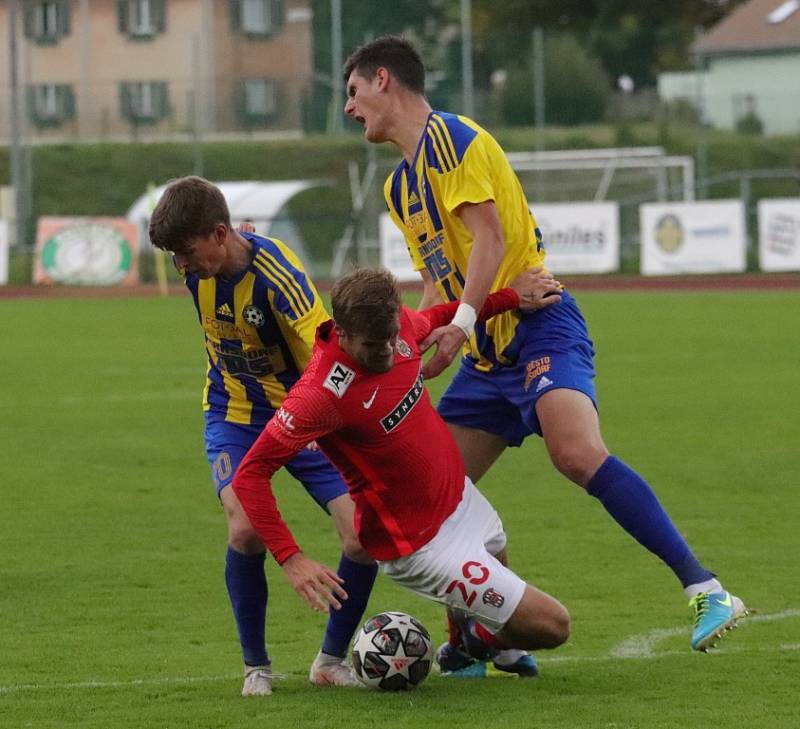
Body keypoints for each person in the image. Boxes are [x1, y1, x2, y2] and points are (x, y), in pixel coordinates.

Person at [342, 35, 746, 670]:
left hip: (538, 325)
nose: (349, 107)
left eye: (353, 91)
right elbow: (438, 275)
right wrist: (423, 339)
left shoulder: (454, 141)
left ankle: (708, 590)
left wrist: (465, 321)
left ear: (384, 79)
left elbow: (489, 239)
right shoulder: (399, 188)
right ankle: (476, 644)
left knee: (576, 453)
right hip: (484, 354)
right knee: (435, 484)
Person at [231, 267, 570, 672]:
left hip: (460, 499)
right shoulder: (320, 395)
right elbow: (250, 473)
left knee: (502, 562)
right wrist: (291, 558)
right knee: (554, 626)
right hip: (420, 543)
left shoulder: (397, 328)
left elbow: (436, 316)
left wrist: (510, 297)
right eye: (373, 346)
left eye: (392, 338)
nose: (388, 352)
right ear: (341, 331)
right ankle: (479, 637)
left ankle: (476, 642)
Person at [148, 176, 380, 696]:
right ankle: (257, 666)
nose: (183, 268)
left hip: (305, 418)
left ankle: (330, 660)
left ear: (220, 232)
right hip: (232, 412)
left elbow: (330, 354)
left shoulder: (281, 279)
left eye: (187, 253)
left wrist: (346, 417)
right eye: (175, 258)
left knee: (363, 539)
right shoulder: (199, 266)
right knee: (245, 529)